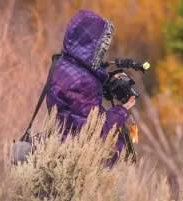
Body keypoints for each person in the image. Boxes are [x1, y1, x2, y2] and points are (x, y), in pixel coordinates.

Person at [46, 10, 136, 166]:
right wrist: (123, 110)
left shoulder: (61, 63)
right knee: (119, 145)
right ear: (91, 45)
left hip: (59, 140)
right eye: (102, 45)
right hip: (74, 158)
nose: (103, 50)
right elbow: (97, 131)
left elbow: (75, 102)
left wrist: (105, 79)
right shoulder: (84, 82)